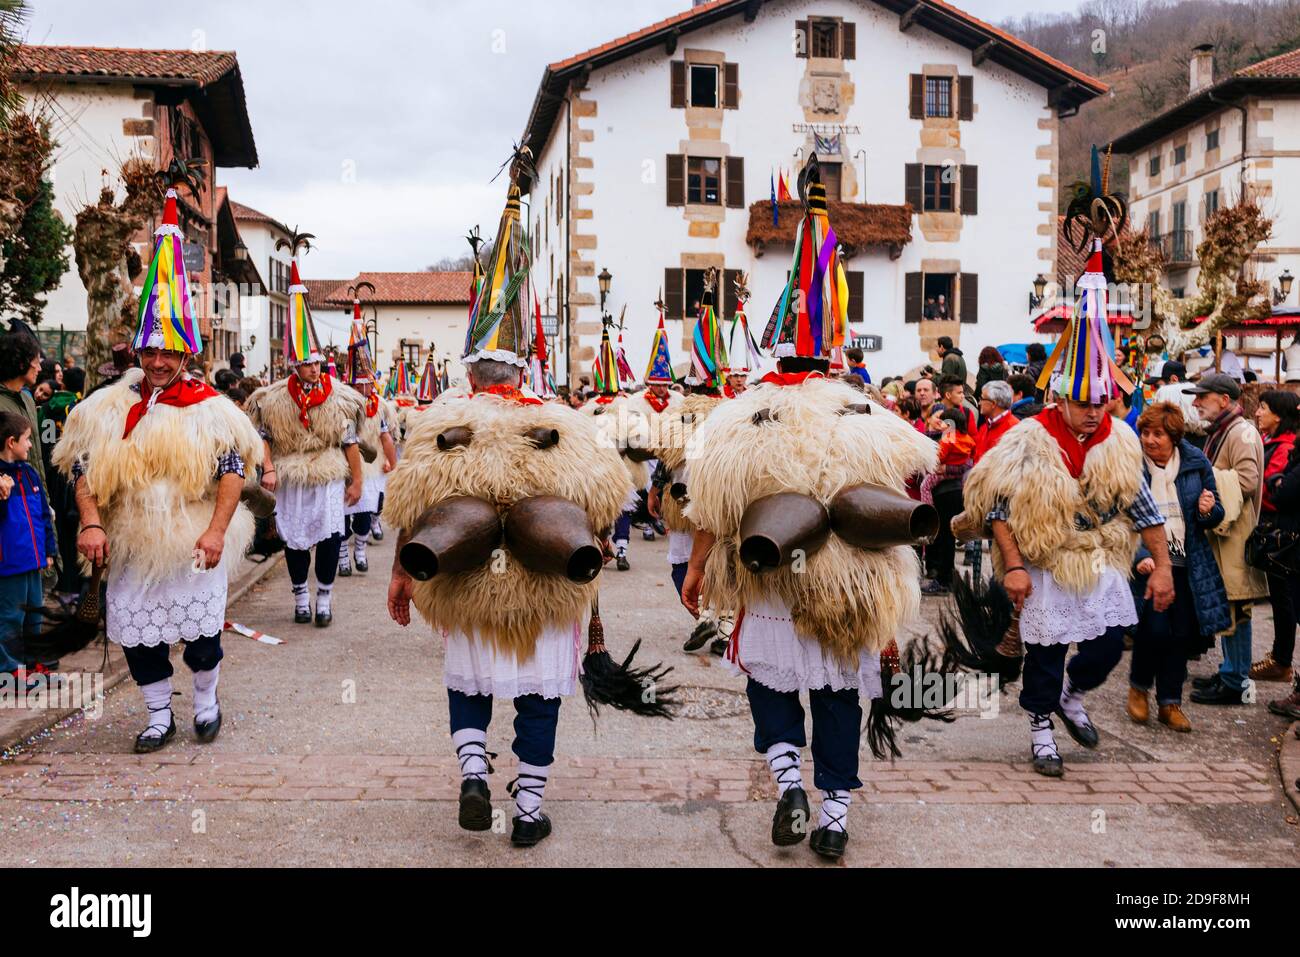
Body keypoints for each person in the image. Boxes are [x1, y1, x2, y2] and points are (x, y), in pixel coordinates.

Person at [683, 157, 940, 860]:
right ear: (831, 348)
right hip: (847, 587)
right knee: (835, 699)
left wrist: (699, 566)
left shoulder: (744, 415)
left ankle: (788, 779)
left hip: (771, 581)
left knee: (770, 684)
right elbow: (905, 501)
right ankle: (832, 816)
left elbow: (711, 499)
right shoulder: (872, 415)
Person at [385, 156, 633, 847]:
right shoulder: (564, 421)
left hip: (464, 580)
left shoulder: (440, 419)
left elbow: (411, 505)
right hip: (543, 589)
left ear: (471, 362)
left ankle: (472, 769)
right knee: (537, 692)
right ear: (527, 360)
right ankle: (527, 808)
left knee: (469, 678)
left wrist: (402, 573)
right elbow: (605, 503)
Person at [50, 185, 263, 751]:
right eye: (150, 351)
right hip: (131, 541)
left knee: (199, 639)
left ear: (185, 353)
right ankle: (156, 716)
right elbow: (82, 468)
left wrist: (217, 531)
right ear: (138, 354)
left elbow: (233, 470)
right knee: (141, 641)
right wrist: (90, 521)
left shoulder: (215, 413)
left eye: (168, 351)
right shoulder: (106, 406)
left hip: (193, 540)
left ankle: (206, 701)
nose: (159, 361)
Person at [957, 233, 1174, 777]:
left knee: (1104, 648)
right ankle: (1040, 728)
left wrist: (1163, 567)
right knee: (1046, 654)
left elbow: (1145, 511)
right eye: (1084, 403)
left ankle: (1071, 697)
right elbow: (1000, 509)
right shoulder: (1030, 438)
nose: (1094, 413)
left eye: (1102, 402)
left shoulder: (1120, 441)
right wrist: (1012, 566)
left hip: (1098, 559)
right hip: (1045, 561)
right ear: (1060, 396)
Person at [246, 261, 365, 629]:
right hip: (291, 477)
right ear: (296, 364)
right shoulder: (274, 400)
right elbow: (263, 438)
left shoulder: (339, 399)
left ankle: (324, 598)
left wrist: (357, 481)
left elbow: (350, 442)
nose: (315, 370)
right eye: (308, 364)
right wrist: (267, 468)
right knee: (294, 541)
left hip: (326, 475)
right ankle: (300, 596)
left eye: (318, 363)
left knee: (330, 537)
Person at [1127, 403, 1230, 732]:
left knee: (1181, 636)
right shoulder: (1131, 466)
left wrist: (1208, 509)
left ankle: (1170, 702)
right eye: (1145, 432)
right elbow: (1122, 519)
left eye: (1158, 434)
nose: (1149, 440)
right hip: (1149, 563)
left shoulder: (1196, 463)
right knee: (1154, 630)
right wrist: (1140, 555)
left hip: (1188, 562)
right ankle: (1139, 688)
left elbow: (1214, 514)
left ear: (1174, 436)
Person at [1184, 374, 1267, 706]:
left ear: (1222, 398)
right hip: (1223, 532)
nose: (1195, 403)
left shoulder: (1241, 432)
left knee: (1237, 607)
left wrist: (1203, 480)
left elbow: (1246, 481)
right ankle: (1231, 671)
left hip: (1234, 534)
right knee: (1230, 605)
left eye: (1201, 397)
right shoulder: (1225, 430)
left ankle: (1236, 681)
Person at [0, 412, 56, 689]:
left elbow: (43, 514)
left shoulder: (29, 473)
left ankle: (33, 662)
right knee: (10, 617)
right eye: (27, 440)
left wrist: (49, 549)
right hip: (8, 564)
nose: (31, 445)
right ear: (11, 442)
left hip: (33, 561)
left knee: (35, 612)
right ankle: (10, 671)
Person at [1249, 390, 1299, 683]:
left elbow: (1276, 493)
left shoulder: (1286, 446)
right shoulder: (1272, 442)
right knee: (1281, 596)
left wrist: (1267, 486)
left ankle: (1282, 661)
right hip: (1278, 530)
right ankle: (1280, 658)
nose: (1257, 413)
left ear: (1279, 415)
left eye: (1263, 408)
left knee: (1284, 599)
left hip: (1283, 533)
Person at [921, 407, 974, 595]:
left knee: (944, 537)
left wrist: (942, 466)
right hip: (954, 490)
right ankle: (945, 578)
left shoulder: (948, 438)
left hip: (946, 492)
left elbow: (939, 459)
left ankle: (944, 580)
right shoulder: (965, 439)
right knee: (946, 536)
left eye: (943, 421)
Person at [0, 330, 52, 500]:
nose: (40, 368)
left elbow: (36, 454)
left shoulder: (28, 400)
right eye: (36, 362)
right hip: (10, 502)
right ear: (21, 363)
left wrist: (45, 498)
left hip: (36, 497)